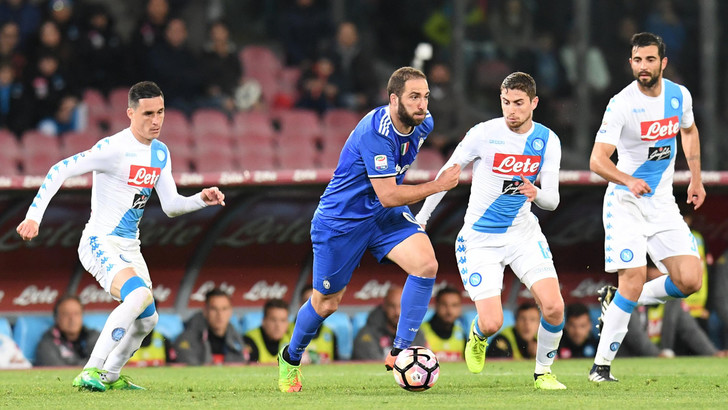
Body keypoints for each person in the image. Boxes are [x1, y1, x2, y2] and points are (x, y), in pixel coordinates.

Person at [16, 81, 226, 391]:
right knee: (138, 296)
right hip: (99, 240)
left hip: (130, 246)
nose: (156, 120)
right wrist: (34, 216)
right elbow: (60, 169)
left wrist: (200, 200)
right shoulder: (112, 148)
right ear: (130, 113)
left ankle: (110, 375)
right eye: (148, 114)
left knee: (148, 320)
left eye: (161, 112)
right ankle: (90, 369)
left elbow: (170, 206)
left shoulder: (160, 153)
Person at [277, 66, 461, 393]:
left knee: (426, 265)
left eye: (425, 96)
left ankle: (400, 350)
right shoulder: (375, 132)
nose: (422, 104)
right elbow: (389, 194)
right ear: (394, 100)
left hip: (382, 215)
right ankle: (290, 358)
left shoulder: (424, 123)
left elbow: (387, 198)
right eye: (414, 97)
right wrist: (438, 185)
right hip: (342, 221)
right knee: (326, 303)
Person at [416, 71, 567, 390]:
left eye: (519, 103)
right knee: (492, 322)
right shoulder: (483, 134)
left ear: (534, 103)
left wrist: (536, 193)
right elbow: (447, 175)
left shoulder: (548, 140)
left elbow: (552, 200)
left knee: (554, 308)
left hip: (523, 234)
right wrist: (422, 218)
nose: (511, 110)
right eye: (506, 102)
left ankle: (543, 373)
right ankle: (478, 334)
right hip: (480, 240)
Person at [588, 32, 705, 382]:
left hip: (662, 204)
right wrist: (627, 179)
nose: (643, 66)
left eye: (650, 60)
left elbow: (689, 131)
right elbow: (597, 160)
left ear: (663, 63)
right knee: (634, 279)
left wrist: (696, 178)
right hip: (626, 204)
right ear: (631, 63)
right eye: (637, 60)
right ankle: (600, 368)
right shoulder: (621, 103)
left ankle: (618, 300)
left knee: (690, 279)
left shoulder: (679, 95)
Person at [352, 285, 427, 361]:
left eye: (402, 306)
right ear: (384, 307)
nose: (397, 312)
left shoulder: (415, 333)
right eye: (392, 306)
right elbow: (372, 365)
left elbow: (420, 361)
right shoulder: (367, 334)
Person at [174, 288, 245, 366]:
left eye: (224, 309)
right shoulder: (187, 339)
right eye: (214, 309)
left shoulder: (237, 338)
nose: (220, 314)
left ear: (230, 311)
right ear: (205, 311)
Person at [35, 295, 100, 367]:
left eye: (76, 313)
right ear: (56, 318)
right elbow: (57, 370)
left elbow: (103, 364)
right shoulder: (47, 344)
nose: (72, 319)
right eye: (66, 314)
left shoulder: (95, 337)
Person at [290, 286, 336, 364]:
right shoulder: (286, 331)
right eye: (307, 303)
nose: (313, 307)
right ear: (300, 305)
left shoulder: (330, 333)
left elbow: (338, 363)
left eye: (316, 302)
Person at [420, 286, 464, 362]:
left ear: (460, 307)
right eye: (444, 305)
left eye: (454, 305)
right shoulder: (421, 332)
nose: (449, 311)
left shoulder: (462, 332)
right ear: (436, 305)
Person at [244, 299, 290, 364]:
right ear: (263, 321)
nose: (278, 325)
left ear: (287, 323)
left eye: (283, 320)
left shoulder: (291, 340)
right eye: (273, 320)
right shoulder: (249, 340)